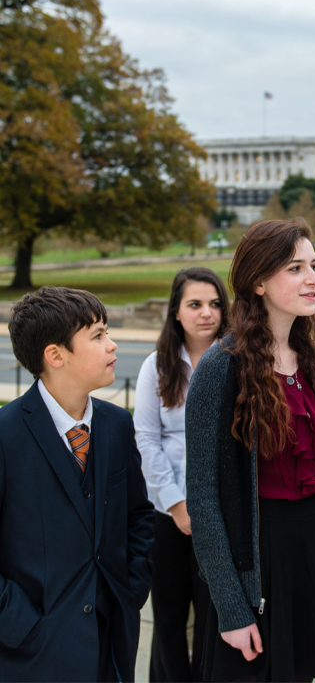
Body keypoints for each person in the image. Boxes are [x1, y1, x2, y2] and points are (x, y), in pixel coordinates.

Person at [185, 218, 315, 682]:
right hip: (259, 561)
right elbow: (202, 497)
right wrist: (231, 607)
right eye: (295, 267)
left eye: (313, 266)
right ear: (258, 281)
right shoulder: (222, 368)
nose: (313, 278)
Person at [0, 287, 154, 682]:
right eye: (98, 335)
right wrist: (21, 624)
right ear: (56, 355)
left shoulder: (118, 425)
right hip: (30, 654)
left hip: (112, 646)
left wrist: (131, 589)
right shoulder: (5, 435)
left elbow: (138, 515)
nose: (112, 344)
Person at [134, 268, 230, 681]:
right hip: (167, 513)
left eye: (214, 304)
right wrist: (175, 503)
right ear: (176, 312)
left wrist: (203, 507)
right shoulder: (157, 366)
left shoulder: (235, 363)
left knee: (214, 616)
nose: (206, 313)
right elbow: (146, 438)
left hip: (221, 512)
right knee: (170, 618)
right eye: (195, 304)